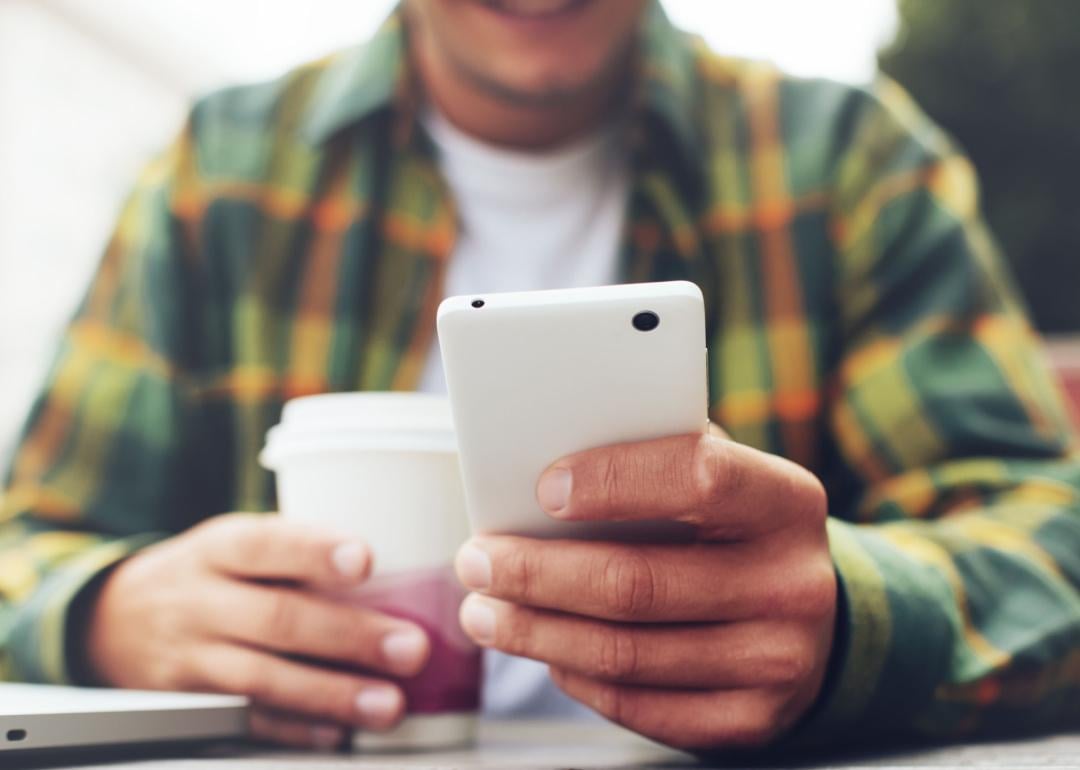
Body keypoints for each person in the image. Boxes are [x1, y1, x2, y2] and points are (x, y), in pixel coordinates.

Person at [2, 0, 1078, 755]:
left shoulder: (851, 163)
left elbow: (1051, 542)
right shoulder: (220, 175)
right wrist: (103, 612)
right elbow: (24, 541)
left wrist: (852, 619)